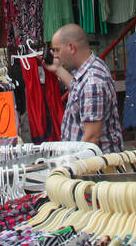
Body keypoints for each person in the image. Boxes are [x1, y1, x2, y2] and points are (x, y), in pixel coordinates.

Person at [47, 23, 122, 154]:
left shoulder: (92, 83)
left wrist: (73, 166)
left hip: (94, 168)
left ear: (71, 48)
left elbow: (91, 138)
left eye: (57, 50)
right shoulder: (92, 66)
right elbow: (80, 92)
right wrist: (58, 69)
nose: (55, 55)